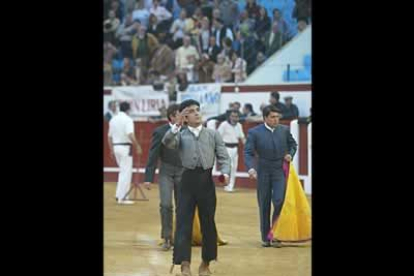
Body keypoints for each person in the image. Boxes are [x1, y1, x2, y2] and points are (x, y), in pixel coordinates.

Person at [162, 99, 231, 276]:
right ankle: (184, 264)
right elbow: (167, 142)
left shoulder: (212, 134)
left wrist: (225, 173)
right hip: (186, 182)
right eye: (191, 111)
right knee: (183, 224)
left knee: (208, 223)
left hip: (206, 182)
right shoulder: (179, 135)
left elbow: (223, 156)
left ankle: (205, 264)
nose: (197, 113)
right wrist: (177, 125)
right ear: (184, 117)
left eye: (198, 110)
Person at [244, 105, 297, 247]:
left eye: (277, 117)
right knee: (264, 203)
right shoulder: (254, 132)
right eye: (272, 117)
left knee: (279, 200)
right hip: (263, 170)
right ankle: (266, 237)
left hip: (279, 169)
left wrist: (290, 154)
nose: (276, 120)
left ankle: (275, 232)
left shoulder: (284, 130)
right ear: (265, 118)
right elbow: (248, 152)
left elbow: (293, 145)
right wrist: (250, 168)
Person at [144, 104, 183, 250]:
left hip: (183, 172)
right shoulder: (160, 132)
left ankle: (180, 237)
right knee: (166, 204)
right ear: (172, 116)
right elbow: (153, 154)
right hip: (166, 171)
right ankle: (167, 237)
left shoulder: (187, 130)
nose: (183, 117)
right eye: (180, 114)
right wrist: (148, 177)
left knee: (182, 206)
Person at [108, 102, 143, 205]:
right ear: (128, 110)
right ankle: (123, 198)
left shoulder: (113, 119)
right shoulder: (128, 120)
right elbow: (130, 134)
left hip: (116, 147)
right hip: (125, 148)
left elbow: (109, 137)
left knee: (122, 171)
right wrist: (137, 145)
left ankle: (119, 195)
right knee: (126, 173)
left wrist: (111, 149)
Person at [217, 110, 246, 192]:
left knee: (234, 168)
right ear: (229, 117)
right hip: (226, 148)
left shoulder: (239, 125)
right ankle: (226, 184)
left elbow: (242, 138)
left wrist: (248, 146)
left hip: (235, 149)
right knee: (230, 167)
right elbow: (218, 136)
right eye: (233, 116)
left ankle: (230, 186)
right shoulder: (224, 125)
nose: (234, 118)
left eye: (236, 116)